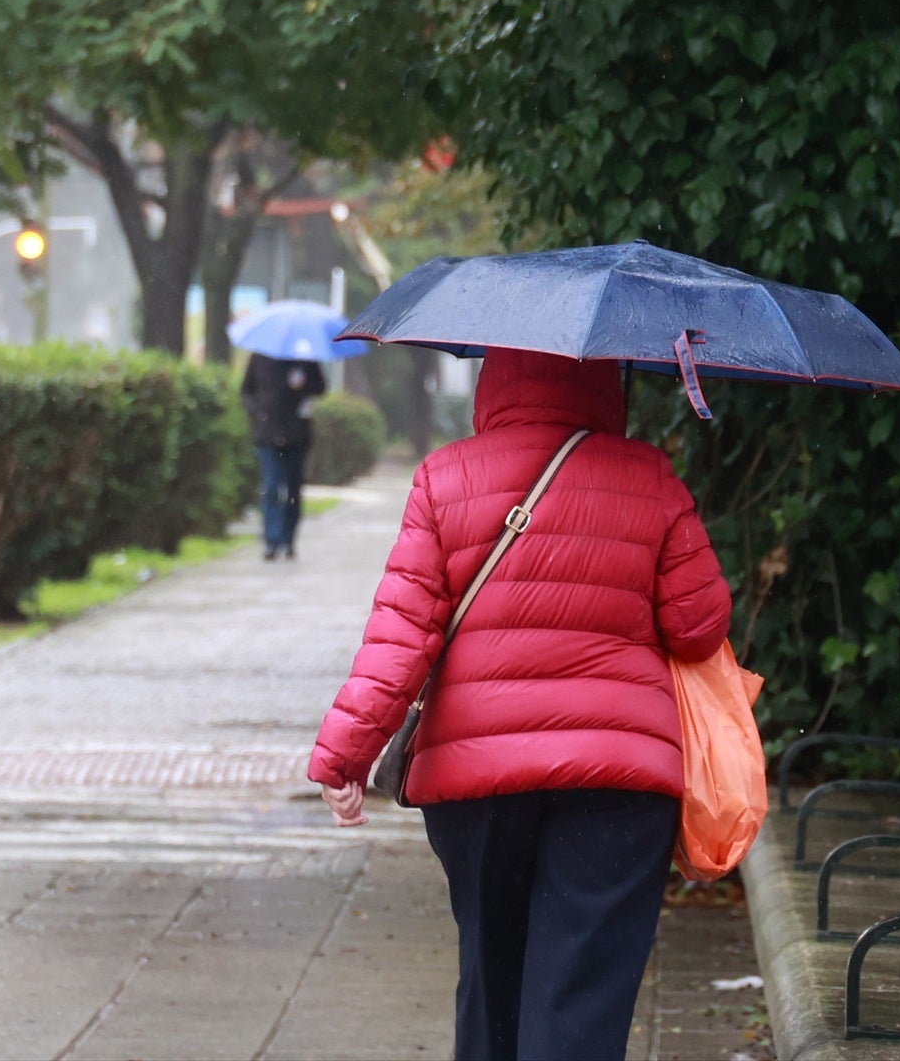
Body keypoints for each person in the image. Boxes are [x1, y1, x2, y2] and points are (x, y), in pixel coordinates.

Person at [310, 347, 732, 1061]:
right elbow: (699, 628)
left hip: (478, 779)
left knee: (490, 972)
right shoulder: (650, 477)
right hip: (617, 782)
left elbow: (401, 635)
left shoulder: (445, 478)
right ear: (604, 384)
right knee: (582, 997)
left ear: (494, 382)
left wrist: (344, 755)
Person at [240, 352, 326, 560]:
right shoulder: (260, 357)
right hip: (268, 435)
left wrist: (303, 384)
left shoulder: (304, 357)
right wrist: (258, 412)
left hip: (297, 435)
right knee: (270, 486)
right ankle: (271, 539)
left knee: (293, 489)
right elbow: (246, 391)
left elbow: (320, 387)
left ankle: (288, 539)